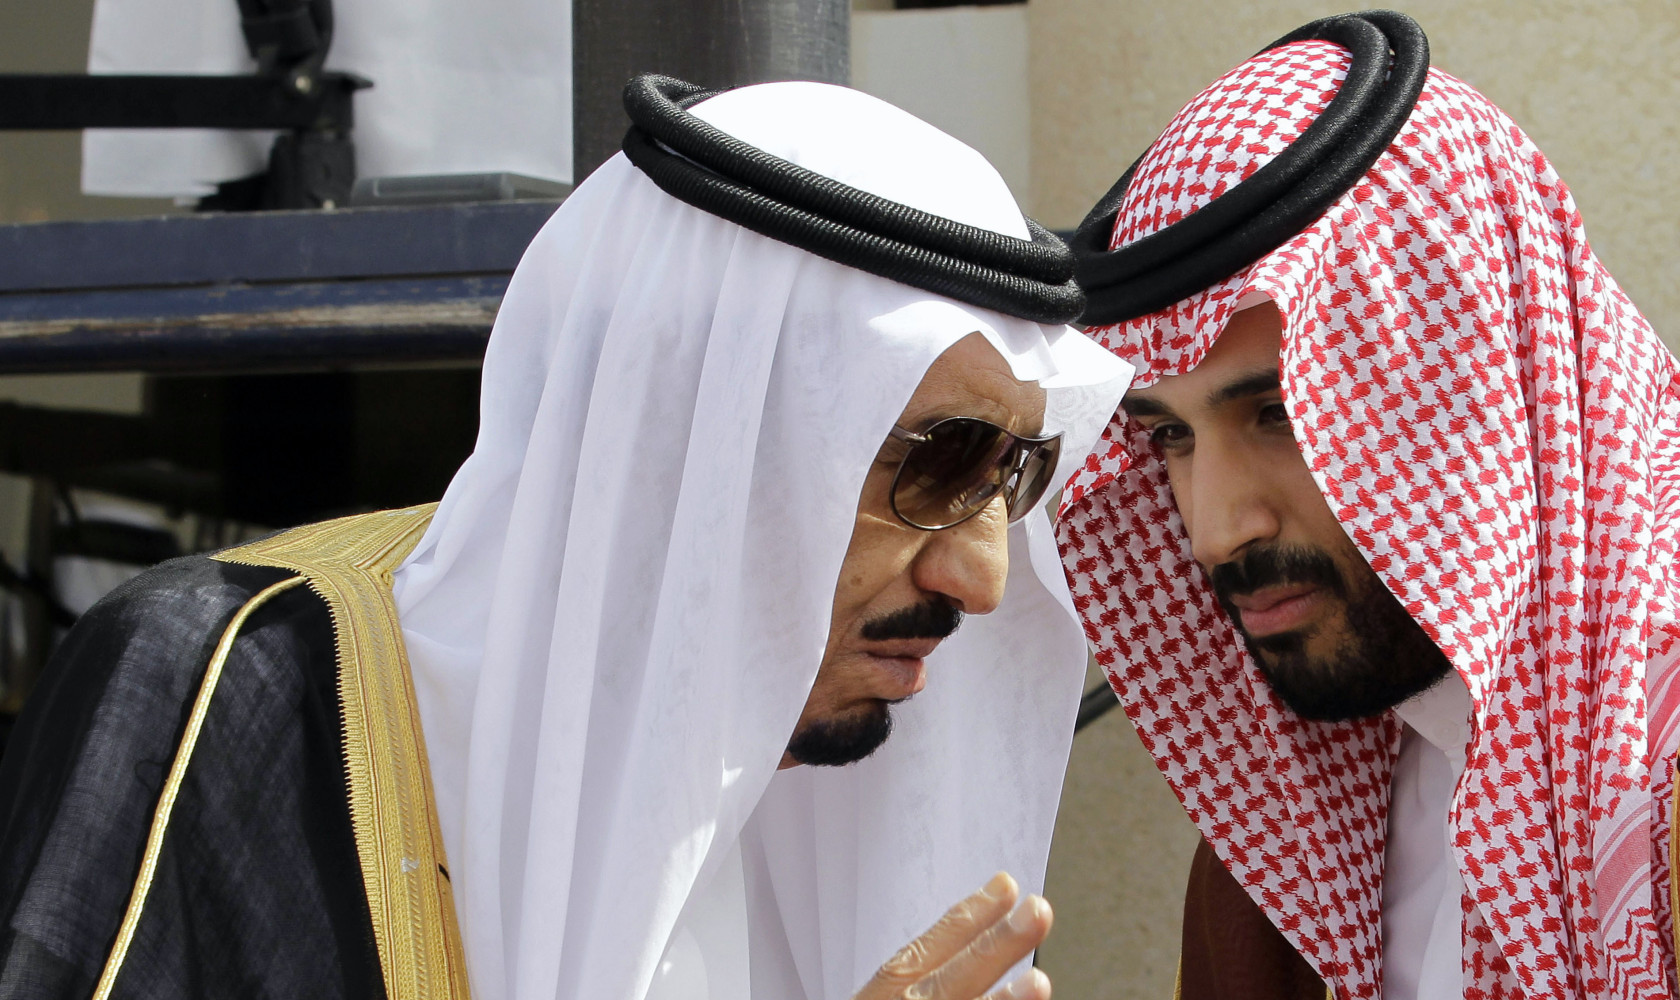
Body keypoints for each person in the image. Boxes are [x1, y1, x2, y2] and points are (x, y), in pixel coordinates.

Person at [0, 77, 1131, 1000]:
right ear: (697, 433)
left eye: (1012, 477)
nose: (979, 577)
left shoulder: (842, 822)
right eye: (929, 464)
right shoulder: (237, 688)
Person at [1055, 11, 1680, 1000]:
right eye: (1168, 435)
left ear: (1476, 384)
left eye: (1281, 417)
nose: (1214, 528)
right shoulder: (1288, 838)